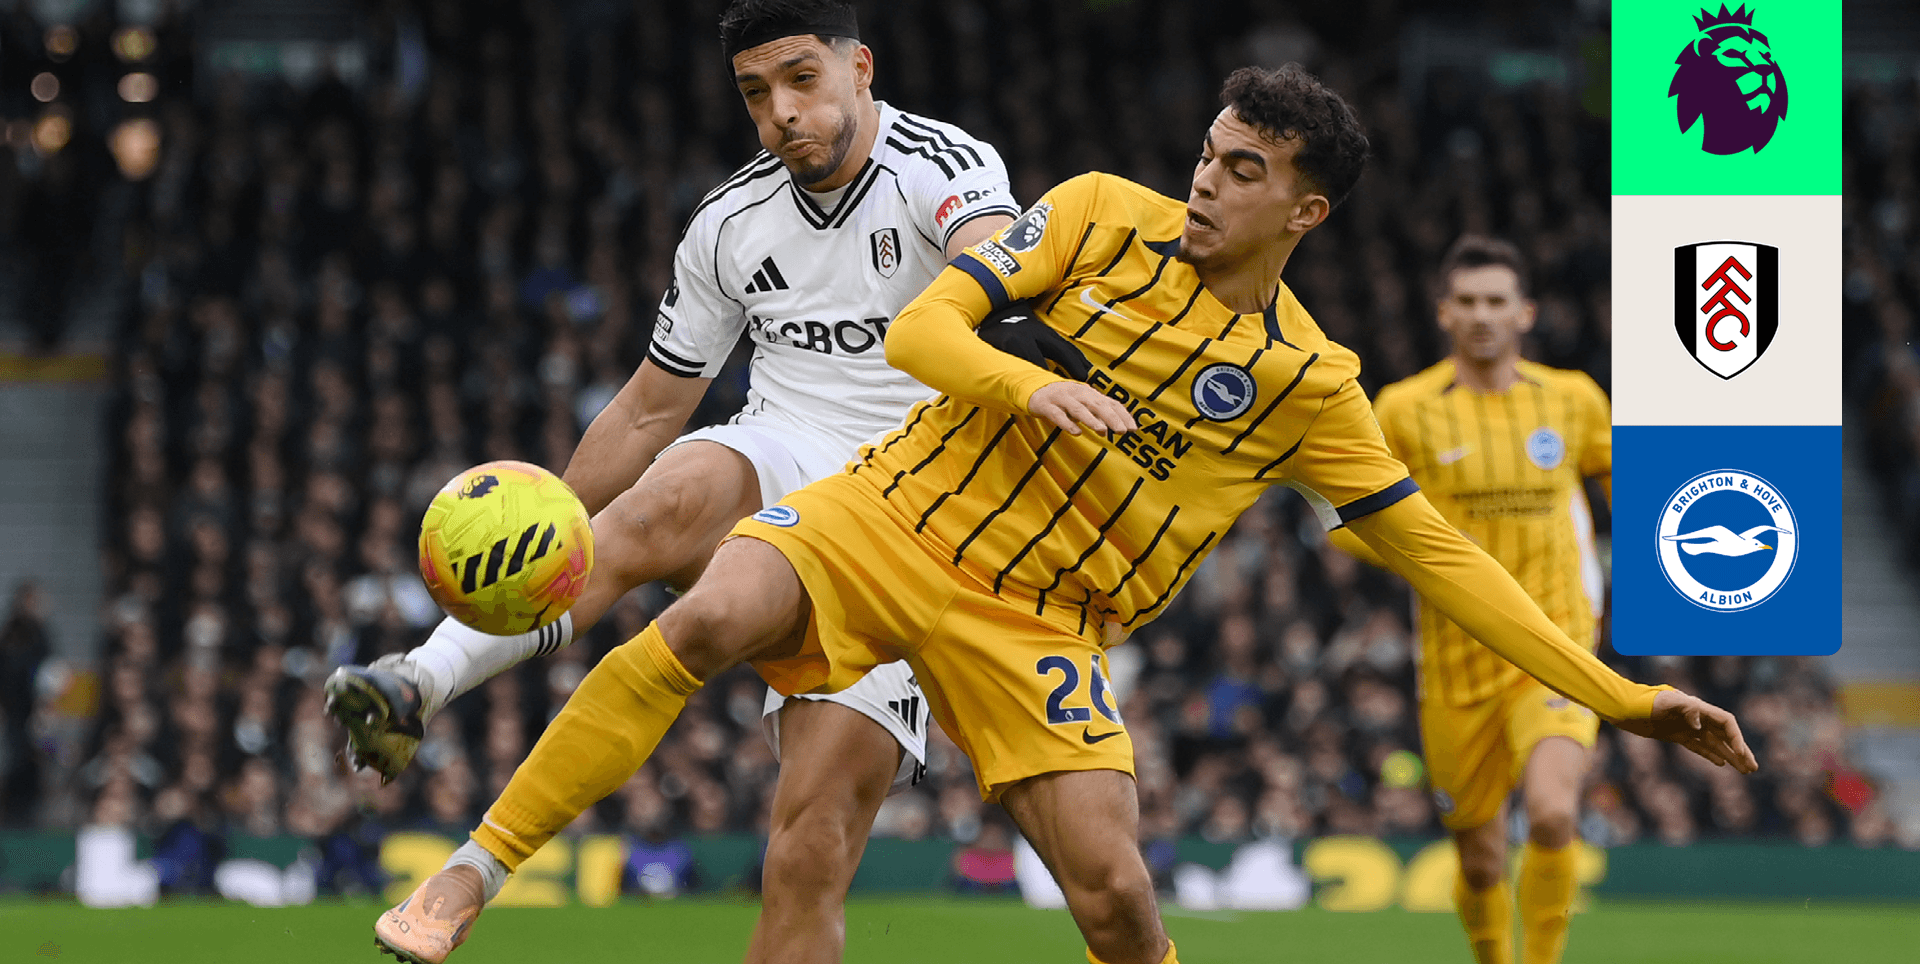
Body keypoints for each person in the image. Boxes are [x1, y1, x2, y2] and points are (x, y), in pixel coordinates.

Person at [377, 64, 1755, 964]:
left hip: (1042, 621)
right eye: (1209, 153)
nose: (1207, 180)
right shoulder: (1095, 215)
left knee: (1116, 902)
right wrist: (1027, 387)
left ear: (1307, 210)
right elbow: (923, 332)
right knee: (707, 616)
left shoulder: (1313, 387)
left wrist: (1621, 696)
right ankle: (465, 881)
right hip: (895, 513)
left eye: (1245, 170)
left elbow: (1442, 558)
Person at [344, 0, 1020, 964]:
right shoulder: (730, 221)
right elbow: (650, 408)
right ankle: (419, 687)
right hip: (783, 444)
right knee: (655, 509)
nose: (781, 112)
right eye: (755, 92)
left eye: (801, 79)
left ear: (860, 67)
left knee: (807, 860)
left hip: (914, 509)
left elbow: (1002, 271)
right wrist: (545, 524)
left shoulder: (942, 167)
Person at [1330, 236, 1610, 964]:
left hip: (1554, 645)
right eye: (1468, 302)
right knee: (1481, 858)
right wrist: (1428, 555)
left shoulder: (1573, 399)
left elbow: (1626, 488)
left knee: (1552, 813)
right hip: (1456, 663)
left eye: (1497, 301)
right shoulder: (1405, 408)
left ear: (1526, 313)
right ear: (1444, 313)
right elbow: (1348, 522)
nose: (1483, 315)